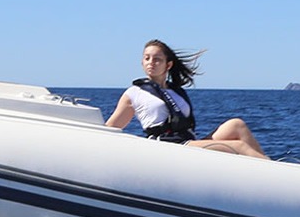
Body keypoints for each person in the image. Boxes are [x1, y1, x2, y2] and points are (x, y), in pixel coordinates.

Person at [105, 39, 268, 158]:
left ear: (168, 65)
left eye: (157, 59)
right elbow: (111, 127)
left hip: (188, 142)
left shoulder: (175, 91)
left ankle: (272, 169)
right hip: (167, 146)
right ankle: (273, 173)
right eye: (147, 58)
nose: (151, 63)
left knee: (236, 125)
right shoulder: (134, 93)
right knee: (239, 147)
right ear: (142, 62)